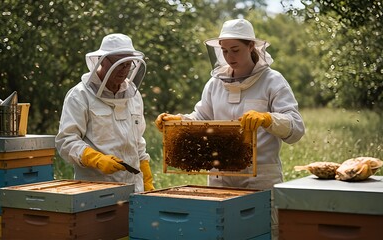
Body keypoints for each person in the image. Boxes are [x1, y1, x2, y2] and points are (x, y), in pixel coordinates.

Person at [155, 19, 305, 238]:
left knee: (261, 233)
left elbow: (296, 127)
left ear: (251, 46)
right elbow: (202, 118)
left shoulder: (273, 81)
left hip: (260, 178)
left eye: (235, 50)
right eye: (224, 51)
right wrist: (179, 121)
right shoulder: (215, 83)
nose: (229, 57)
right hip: (219, 177)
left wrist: (268, 119)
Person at [56, 33, 154, 193]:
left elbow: (137, 141)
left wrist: (146, 173)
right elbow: (66, 141)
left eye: (128, 64)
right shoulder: (80, 95)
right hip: (96, 190)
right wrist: (95, 159)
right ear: (103, 60)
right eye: (120, 63)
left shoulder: (134, 96)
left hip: (135, 188)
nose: (124, 69)